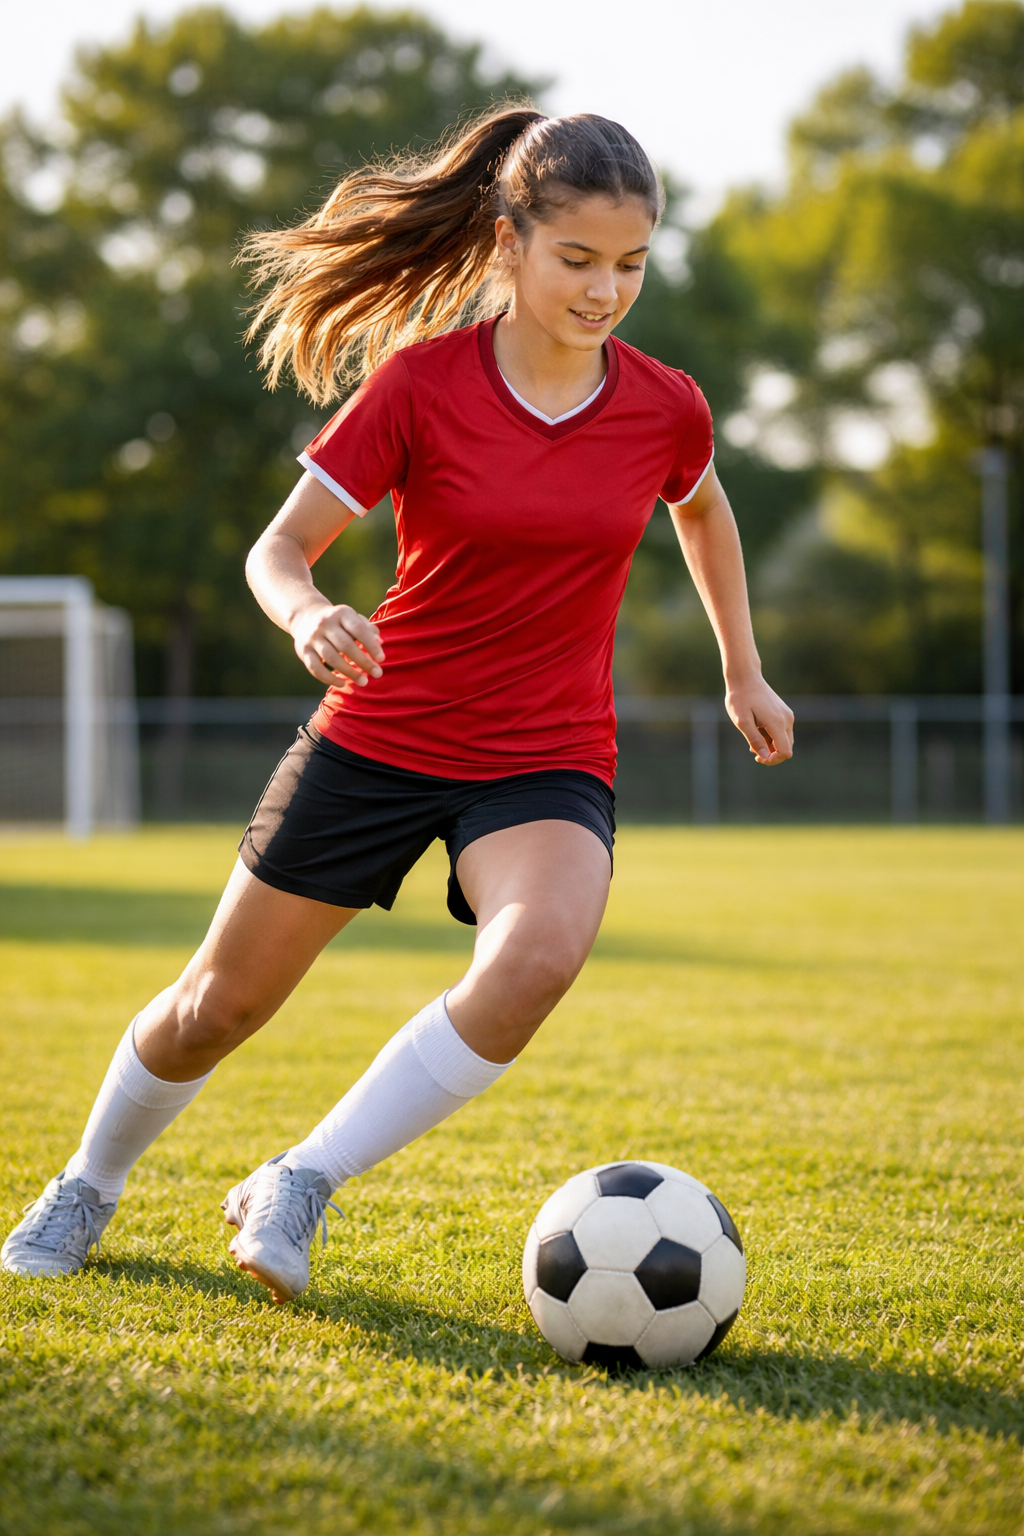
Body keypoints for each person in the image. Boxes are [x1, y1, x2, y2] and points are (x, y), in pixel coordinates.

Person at [2, 107, 793, 1298]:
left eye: (630, 264)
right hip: (381, 733)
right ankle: (88, 1184)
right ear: (508, 244)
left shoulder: (664, 404)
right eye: (576, 259)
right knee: (217, 1006)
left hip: (544, 753)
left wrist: (743, 664)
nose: (604, 290)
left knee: (535, 960)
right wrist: (308, 614)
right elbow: (279, 549)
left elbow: (701, 506)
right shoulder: (421, 387)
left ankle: (302, 1179)